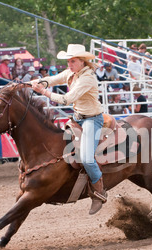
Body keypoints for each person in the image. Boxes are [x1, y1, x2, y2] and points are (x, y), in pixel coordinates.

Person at [31, 44, 107, 215]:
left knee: (87, 159)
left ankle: (99, 190)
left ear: (82, 62)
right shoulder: (71, 73)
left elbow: (66, 99)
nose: (69, 64)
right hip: (78, 118)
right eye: (69, 61)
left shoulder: (87, 79)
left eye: (72, 61)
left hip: (91, 120)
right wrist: (36, 82)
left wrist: (43, 91)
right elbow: (53, 79)